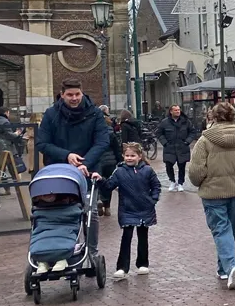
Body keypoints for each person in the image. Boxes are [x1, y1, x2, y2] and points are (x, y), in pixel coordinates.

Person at [35, 79, 110, 258]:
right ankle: (65, 249)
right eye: (70, 95)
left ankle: (92, 252)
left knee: (90, 212)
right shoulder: (51, 114)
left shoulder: (94, 114)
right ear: (62, 95)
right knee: (62, 212)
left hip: (88, 169)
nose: (74, 98)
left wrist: (86, 163)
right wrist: (67, 155)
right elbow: (42, 143)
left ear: (82, 93)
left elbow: (102, 142)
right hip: (59, 171)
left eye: (77, 94)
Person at [187, 102, 235, 289]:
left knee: (220, 229)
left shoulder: (205, 140)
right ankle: (223, 268)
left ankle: (231, 266)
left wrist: (200, 182)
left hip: (213, 191)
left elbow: (195, 171)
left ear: (213, 117)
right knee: (229, 229)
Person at [94, 142, 161, 279]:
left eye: (132, 155)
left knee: (143, 237)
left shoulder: (147, 170)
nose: (129, 158)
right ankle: (122, 267)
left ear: (139, 156)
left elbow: (156, 186)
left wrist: (152, 200)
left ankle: (143, 263)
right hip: (127, 209)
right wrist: (101, 180)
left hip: (144, 208)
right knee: (126, 237)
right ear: (123, 156)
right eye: (127, 155)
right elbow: (108, 186)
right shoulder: (119, 171)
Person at [157, 105, 196, 192]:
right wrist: (165, 143)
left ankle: (180, 183)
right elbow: (159, 133)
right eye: (175, 110)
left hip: (182, 148)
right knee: (168, 165)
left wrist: (187, 141)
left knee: (182, 166)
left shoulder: (186, 121)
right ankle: (172, 181)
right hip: (169, 148)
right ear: (171, 111)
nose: (178, 111)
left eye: (178, 110)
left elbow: (193, 132)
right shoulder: (165, 122)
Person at [95, 109, 123, 217]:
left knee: (98, 182)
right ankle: (107, 207)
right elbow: (117, 149)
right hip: (110, 162)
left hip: (97, 161)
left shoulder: (92, 133)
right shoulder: (111, 133)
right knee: (109, 184)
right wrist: (119, 161)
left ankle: (99, 199)